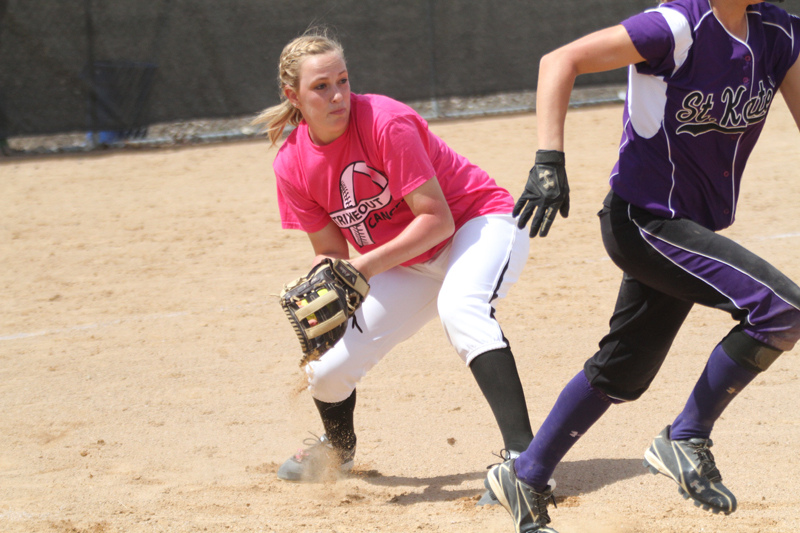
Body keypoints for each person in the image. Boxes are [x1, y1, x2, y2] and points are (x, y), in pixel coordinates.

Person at [484, 1, 800, 531]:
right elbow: (559, 61)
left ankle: (527, 474)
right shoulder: (677, 24)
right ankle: (685, 437)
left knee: (625, 367)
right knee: (781, 309)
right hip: (644, 222)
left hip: (689, 228)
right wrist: (548, 160)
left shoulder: (780, 33)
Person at [253, 29, 538, 488]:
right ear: (293, 95)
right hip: (406, 260)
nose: (337, 95)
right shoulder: (291, 164)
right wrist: (327, 279)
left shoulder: (385, 121)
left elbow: (437, 220)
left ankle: (527, 463)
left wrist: (362, 268)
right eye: (321, 87)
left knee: (462, 310)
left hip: (477, 225)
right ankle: (338, 451)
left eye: (342, 80)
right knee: (325, 368)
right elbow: (330, 251)